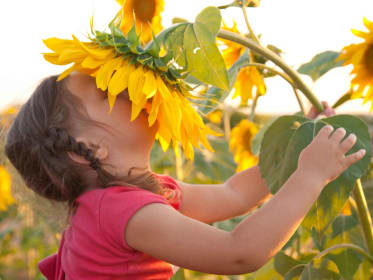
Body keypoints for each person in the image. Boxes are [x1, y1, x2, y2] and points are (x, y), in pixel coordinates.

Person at [5, 72, 365, 279]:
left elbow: (233, 194)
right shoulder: (119, 212)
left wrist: (299, 148)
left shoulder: (128, 197)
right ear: (86, 148)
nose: (130, 88)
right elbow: (239, 253)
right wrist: (310, 177)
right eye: (107, 91)